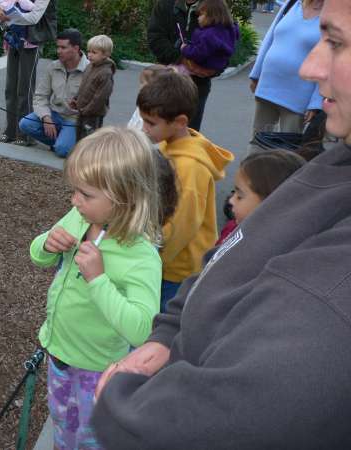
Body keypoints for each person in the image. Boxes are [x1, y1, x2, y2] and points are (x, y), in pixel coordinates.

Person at [91, 1, 351, 448]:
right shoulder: (335, 165)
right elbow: (237, 253)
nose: (309, 67)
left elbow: (233, 417)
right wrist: (170, 332)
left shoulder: (330, 297)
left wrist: (122, 404)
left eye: (336, 41)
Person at [30, 127, 162, 449]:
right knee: (63, 424)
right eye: (74, 190)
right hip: (59, 355)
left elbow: (142, 330)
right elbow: (38, 257)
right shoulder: (79, 218)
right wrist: (46, 244)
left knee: (92, 439)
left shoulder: (141, 256)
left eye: (85, 195)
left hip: (97, 370)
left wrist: (98, 280)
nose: (74, 200)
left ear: (125, 197)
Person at [137, 71, 234, 310]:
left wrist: (148, 262)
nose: (144, 128)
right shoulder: (167, 146)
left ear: (180, 122)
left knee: (155, 322)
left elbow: (182, 226)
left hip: (174, 269)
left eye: (151, 123)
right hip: (164, 260)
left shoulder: (190, 169)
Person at [249, 0, 322, 138]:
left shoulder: (330, 15)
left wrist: (316, 102)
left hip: (298, 96)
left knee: (287, 146)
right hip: (268, 86)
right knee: (257, 141)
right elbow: (269, 39)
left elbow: (329, 62)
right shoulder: (291, 4)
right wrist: (256, 74)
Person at [18, 29, 88, 158]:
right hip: (55, 114)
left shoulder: (90, 70)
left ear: (76, 48)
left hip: (75, 119)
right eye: (58, 47)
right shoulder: (53, 66)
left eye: (63, 47)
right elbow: (40, 96)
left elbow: (97, 103)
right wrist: (46, 117)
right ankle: (62, 142)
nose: (58, 51)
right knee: (25, 124)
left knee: (62, 151)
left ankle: (67, 143)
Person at [148, 0, 217, 131]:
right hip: (165, 82)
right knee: (158, 133)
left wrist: (214, 69)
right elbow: (155, 38)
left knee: (187, 135)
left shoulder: (214, 5)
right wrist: (183, 60)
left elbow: (225, 43)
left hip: (197, 87)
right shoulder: (165, 4)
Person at [0, 0, 57, 146]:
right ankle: (10, 132)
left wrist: (10, 18)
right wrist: (0, 10)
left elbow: (34, 18)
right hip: (13, 39)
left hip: (31, 42)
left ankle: (25, 136)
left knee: (25, 90)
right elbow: (3, 4)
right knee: (10, 89)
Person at [218, 150, 306, 245]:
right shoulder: (232, 226)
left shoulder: (264, 249)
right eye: (234, 192)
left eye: (239, 196)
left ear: (272, 205)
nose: (231, 200)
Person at [175, 0, 239, 76]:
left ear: (212, 16)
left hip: (203, 66)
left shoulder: (209, 35)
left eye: (201, 15)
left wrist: (185, 48)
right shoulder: (228, 30)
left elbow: (199, 53)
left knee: (176, 71)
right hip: (217, 66)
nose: (198, 18)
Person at [73, 34, 116, 141]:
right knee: (78, 137)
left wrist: (86, 110)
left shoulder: (106, 73)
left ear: (106, 54)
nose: (89, 55)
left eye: (94, 52)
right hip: (82, 111)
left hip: (93, 115)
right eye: (89, 51)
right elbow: (83, 85)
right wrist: (76, 99)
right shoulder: (90, 66)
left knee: (88, 139)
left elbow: (100, 97)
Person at [127, 65, 176, 130]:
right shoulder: (143, 103)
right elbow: (133, 122)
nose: (140, 86)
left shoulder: (158, 111)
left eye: (142, 83)